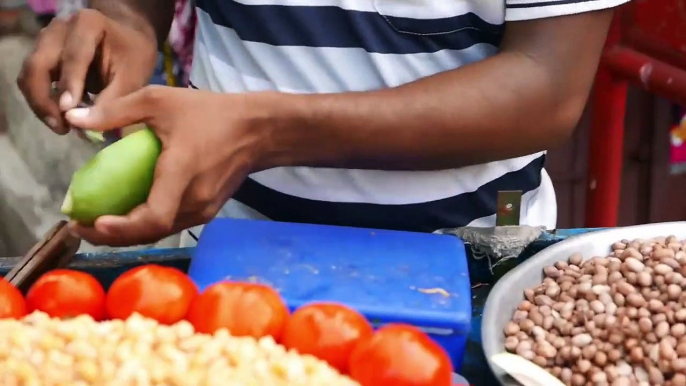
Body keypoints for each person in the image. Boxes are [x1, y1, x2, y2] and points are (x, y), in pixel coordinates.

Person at [18, 0, 630, 247]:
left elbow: (546, 87)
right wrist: (123, 19)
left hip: (469, 261)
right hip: (225, 248)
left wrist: (267, 133)